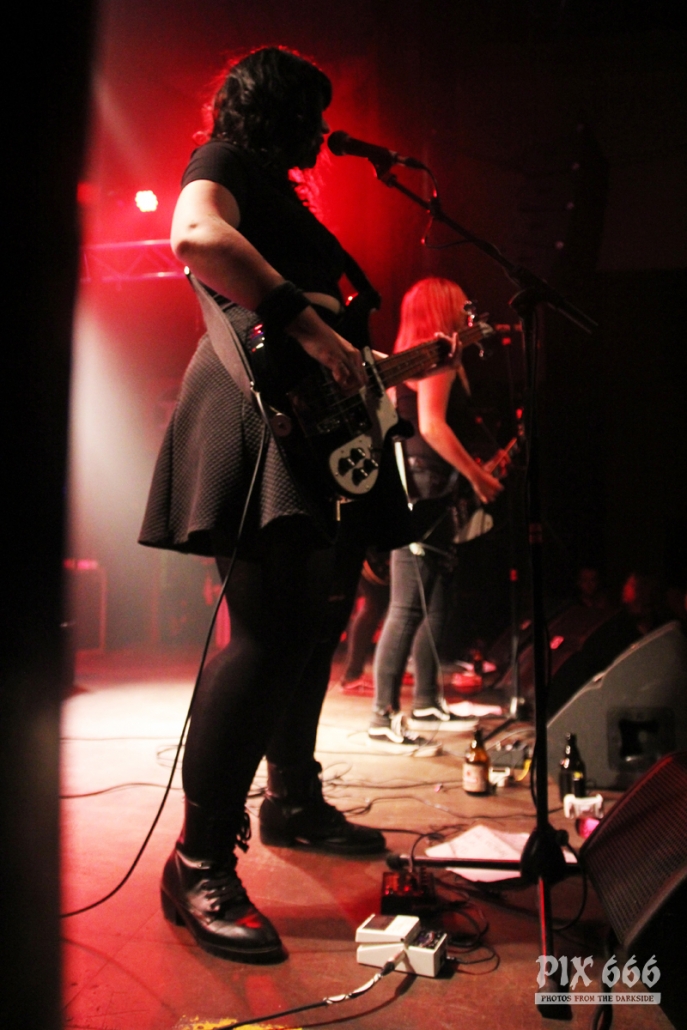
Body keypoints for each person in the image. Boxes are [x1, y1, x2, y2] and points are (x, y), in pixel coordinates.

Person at [139, 47, 411, 963]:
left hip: (311, 430)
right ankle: (198, 861)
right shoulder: (223, 161)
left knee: (314, 624)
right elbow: (194, 235)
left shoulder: (285, 201)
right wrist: (303, 320)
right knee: (266, 634)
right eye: (310, 112)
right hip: (259, 420)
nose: (320, 131)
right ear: (276, 111)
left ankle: (291, 798)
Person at [368, 278, 504, 747]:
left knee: (435, 599)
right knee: (409, 604)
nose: (467, 311)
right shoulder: (436, 357)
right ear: (442, 308)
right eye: (460, 304)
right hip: (426, 484)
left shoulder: (410, 358)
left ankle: (426, 700)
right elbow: (431, 425)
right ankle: (383, 714)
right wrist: (477, 475)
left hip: (421, 482)